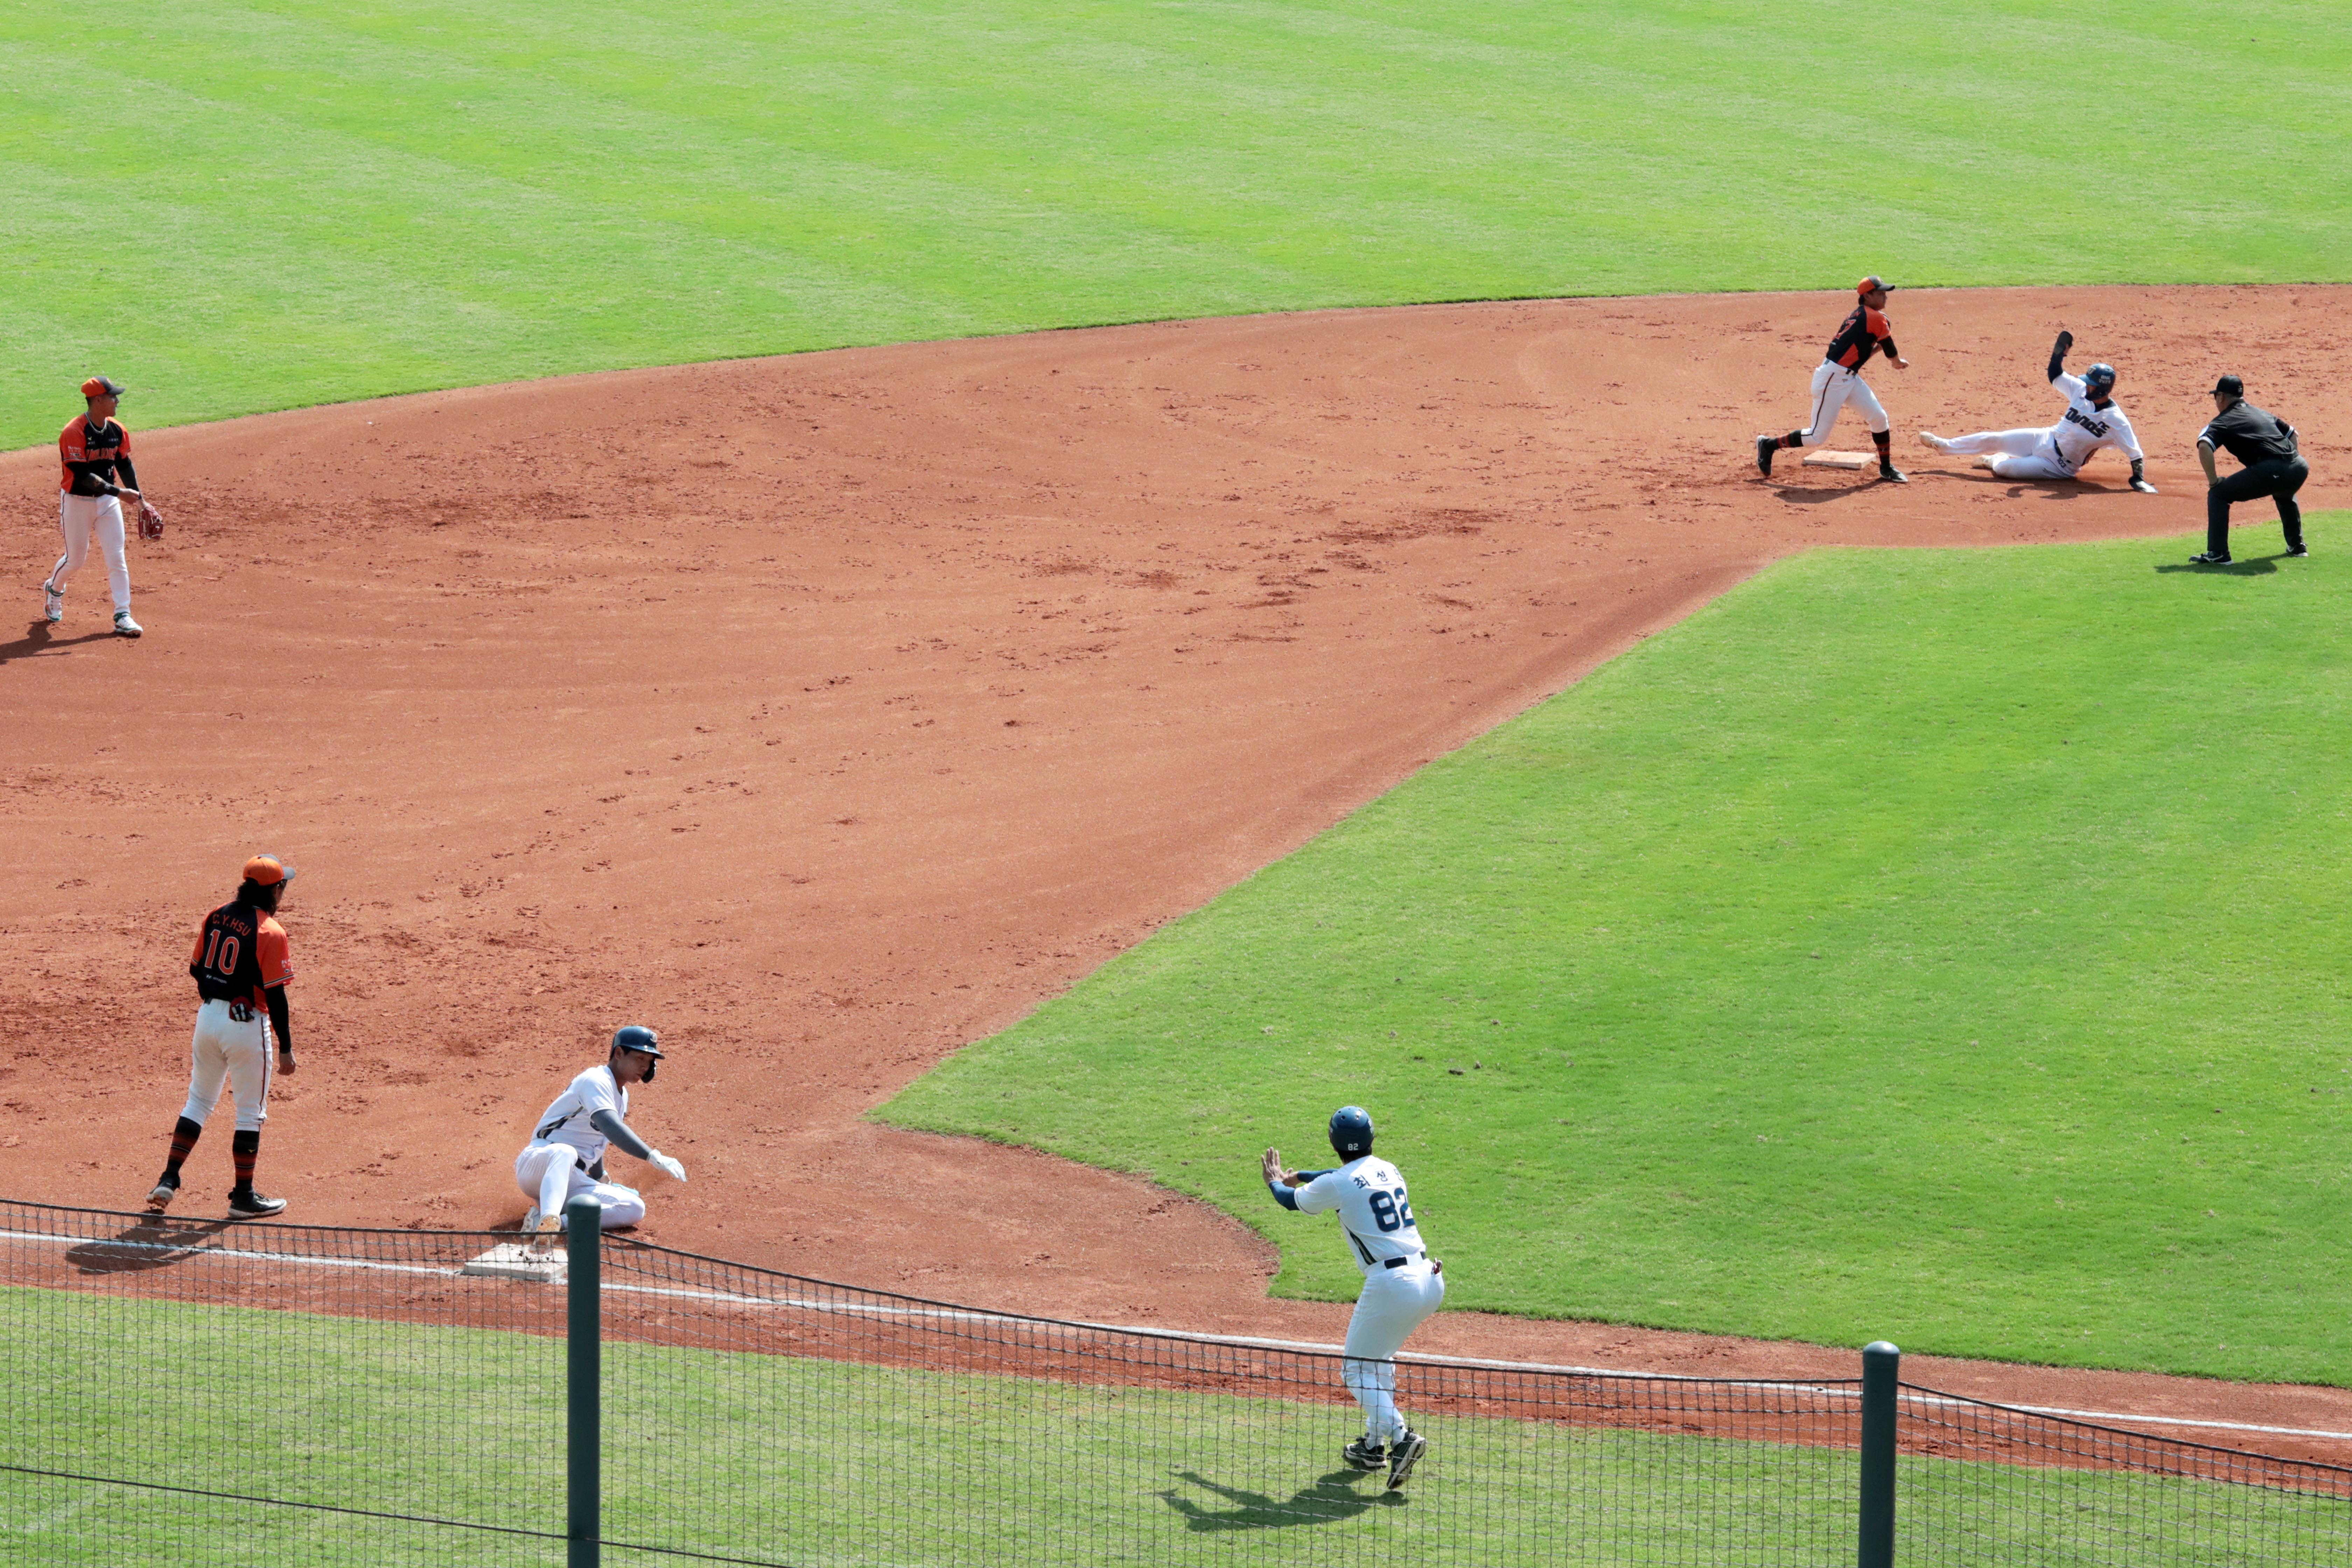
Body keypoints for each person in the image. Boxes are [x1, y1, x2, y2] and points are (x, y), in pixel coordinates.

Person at [1261, 1106, 1444, 1491]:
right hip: (1429, 1278)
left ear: (1333, 1141)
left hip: (1393, 1284)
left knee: (1355, 1369)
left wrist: (1276, 1181)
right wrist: (1303, 1175)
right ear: (1372, 1138)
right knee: (1378, 1359)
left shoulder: (1339, 1184)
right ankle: (1372, 1447)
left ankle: (1401, 1437)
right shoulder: (1388, 1168)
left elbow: (1290, 1200)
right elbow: (1338, 1179)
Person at [146, 855, 300, 1218]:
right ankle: (243, 1197)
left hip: (208, 1020)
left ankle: (168, 1179)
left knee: (198, 1101)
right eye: (283, 886)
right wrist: (287, 1049)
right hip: (246, 1027)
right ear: (274, 889)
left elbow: (196, 969)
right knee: (250, 1113)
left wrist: (221, 995)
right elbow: (276, 995)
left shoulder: (217, 915)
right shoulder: (271, 931)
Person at [1917, 331, 2156, 491]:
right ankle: (1945, 446)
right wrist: (2058, 356)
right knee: (1995, 438)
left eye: (2091, 383)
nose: (2086, 384)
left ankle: (1993, 461)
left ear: (2103, 387)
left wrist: (2138, 479)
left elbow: (2135, 453)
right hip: (2045, 437)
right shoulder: (2081, 390)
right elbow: (2056, 376)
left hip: (2058, 466)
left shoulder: (2116, 421)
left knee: (2005, 469)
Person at [515, 1026, 687, 1248]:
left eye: (650, 1060)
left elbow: (597, 1140)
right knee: (565, 1151)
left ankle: (549, 1224)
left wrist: (601, 1179)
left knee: (634, 1207)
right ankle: (547, 1226)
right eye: (639, 1058)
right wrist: (652, 1156)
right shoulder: (595, 1080)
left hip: (569, 1181)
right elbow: (611, 1128)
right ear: (618, 1054)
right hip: (538, 1165)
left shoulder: (621, 1095)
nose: (645, 1066)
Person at [1756, 277, 1911, 484]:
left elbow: (1858, 355)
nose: (1886, 296)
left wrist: (1878, 348)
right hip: (1833, 379)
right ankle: (1768, 445)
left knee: (1879, 417)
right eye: (1881, 293)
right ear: (1867, 296)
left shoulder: (1861, 315)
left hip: (1847, 377)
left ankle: (1886, 468)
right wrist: (1896, 362)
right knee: (1816, 437)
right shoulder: (1875, 318)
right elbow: (1891, 350)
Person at [43, 375, 163, 637]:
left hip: (108, 503)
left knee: (117, 558)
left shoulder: (117, 429)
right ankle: (54, 589)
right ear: (98, 400)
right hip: (77, 502)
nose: (117, 401)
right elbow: (81, 474)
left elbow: (123, 464)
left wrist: (142, 501)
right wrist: (119, 492)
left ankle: (123, 615)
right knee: (76, 560)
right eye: (112, 397)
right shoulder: (73, 432)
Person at [2189, 374, 2309, 566]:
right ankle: (2298, 546)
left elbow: (2204, 445)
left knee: (2218, 494)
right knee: (2284, 493)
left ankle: (2218, 553)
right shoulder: (2262, 413)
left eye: (2216, 397)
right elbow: (2292, 434)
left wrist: (2213, 481)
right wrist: (2289, 464)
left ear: (2221, 397)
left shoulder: (2224, 420)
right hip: (2299, 466)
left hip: (2271, 468)